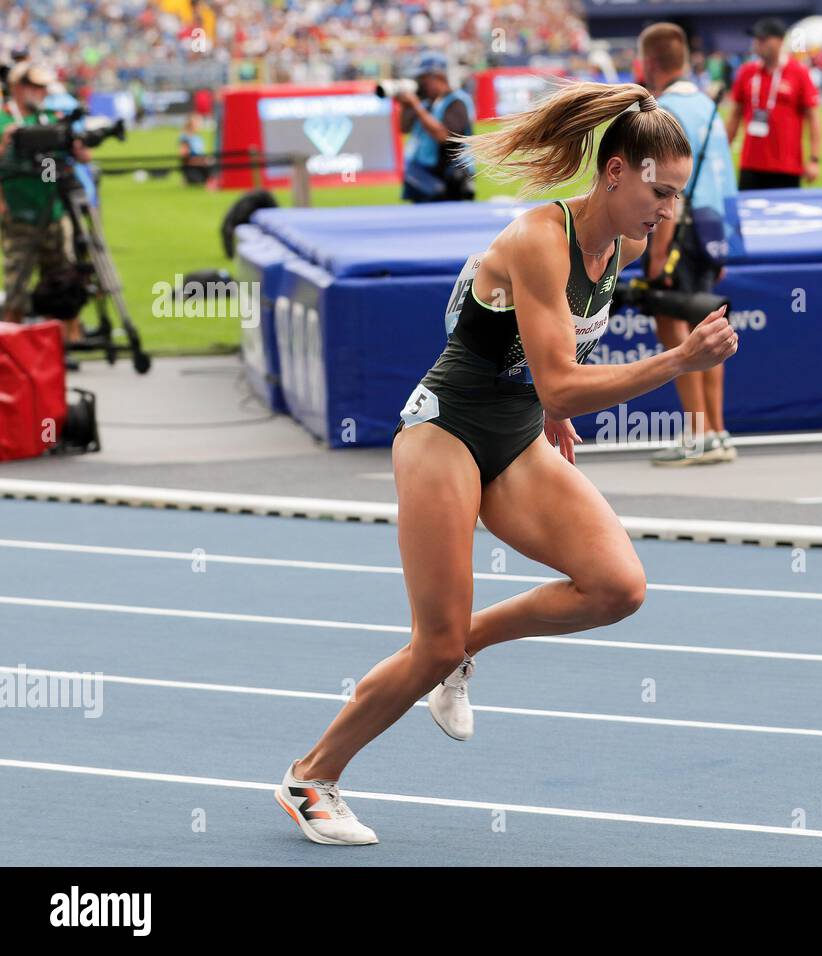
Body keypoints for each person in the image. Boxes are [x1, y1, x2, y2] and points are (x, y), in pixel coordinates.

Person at [275, 81, 739, 845]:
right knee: (434, 642)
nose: (668, 211)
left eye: (678, 196)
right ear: (614, 172)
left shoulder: (619, 244)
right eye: (659, 191)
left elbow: (547, 352)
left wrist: (551, 414)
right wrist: (676, 360)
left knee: (617, 587)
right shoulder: (537, 238)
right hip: (446, 431)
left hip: (519, 433)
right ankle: (312, 774)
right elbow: (558, 372)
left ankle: (472, 647)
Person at [638, 22, 739, 466]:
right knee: (707, 329)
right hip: (714, 230)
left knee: (676, 331)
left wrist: (656, 255)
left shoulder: (664, 111)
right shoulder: (707, 104)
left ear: (650, 63)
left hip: (680, 233)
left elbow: (666, 190)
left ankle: (697, 435)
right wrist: (726, 245)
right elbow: (725, 180)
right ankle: (716, 432)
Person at [0, 61, 86, 365]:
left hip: (53, 209)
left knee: (61, 283)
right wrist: (7, 139)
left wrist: (78, 146)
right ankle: (12, 357)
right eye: (35, 87)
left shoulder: (50, 117)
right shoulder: (4, 118)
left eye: (44, 87)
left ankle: (60, 351)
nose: (41, 93)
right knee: (17, 288)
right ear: (18, 87)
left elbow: (70, 159)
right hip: (19, 215)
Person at [726, 17, 822, 191]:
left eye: (763, 39)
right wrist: (724, 149)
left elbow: (814, 117)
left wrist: (814, 159)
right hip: (750, 164)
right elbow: (735, 114)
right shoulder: (747, 72)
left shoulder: (798, 72)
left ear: (779, 41)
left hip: (787, 166)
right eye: (756, 39)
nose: (757, 44)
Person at [397, 53, 476, 202]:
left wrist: (415, 105)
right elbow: (404, 127)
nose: (419, 83)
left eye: (423, 78)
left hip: (451, 181)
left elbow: (444, 136)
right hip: (425, 179)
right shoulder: (427, 103)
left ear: (437, 76)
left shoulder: (457, 101)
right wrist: (404, 104)